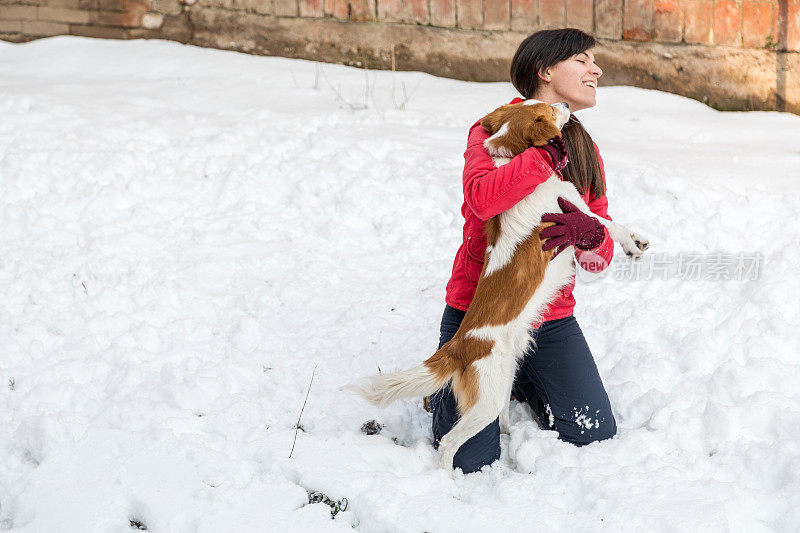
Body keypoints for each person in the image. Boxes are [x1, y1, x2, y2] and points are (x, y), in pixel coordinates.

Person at [430, 28, 617, 474]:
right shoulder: (494, 126)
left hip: (545, 316)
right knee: (472, 459)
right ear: (546, 70)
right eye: (583, 60)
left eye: (595, 60)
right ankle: (445, 388)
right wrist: (544, 156)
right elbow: (483, 198)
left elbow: (600, 257)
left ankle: (520, 377)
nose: (597, 69)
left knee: (592, 432)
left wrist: (591, 234)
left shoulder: (585, 149)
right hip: (482, 310)